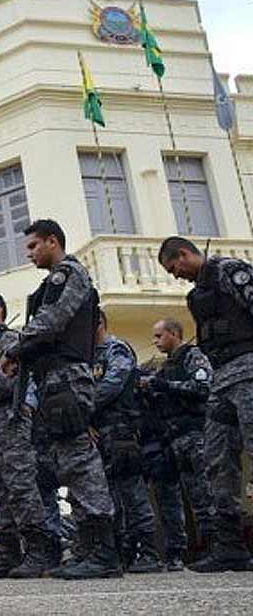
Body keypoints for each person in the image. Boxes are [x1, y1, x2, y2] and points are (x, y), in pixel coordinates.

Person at [2, 219, 119, 580]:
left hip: (67, 378)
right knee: (69, 464)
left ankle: (104, 552)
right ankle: (89, 549)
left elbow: (53, 321)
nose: (30, 254)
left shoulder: (69, 275)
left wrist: (16, 348)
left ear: (53, 241)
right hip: (54, 380)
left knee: (80, 463)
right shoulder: (54, 280)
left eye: (35, 246)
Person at [157, 236, 253, 572]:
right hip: (222, 382)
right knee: (216, 460)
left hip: (249, 372)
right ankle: (230, 547)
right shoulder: (196, 295)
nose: (175, 275)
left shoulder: (231, 271)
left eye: (174, 267)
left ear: (184, 254)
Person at [0, 293, 59, 578]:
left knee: (21, 485)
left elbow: (4, 378)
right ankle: (8, 553)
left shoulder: (9, 341)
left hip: (9, 419)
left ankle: (38, 551)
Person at [140, 317, 214, 565]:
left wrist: (164, 385)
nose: (155, 342)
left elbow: (203, 387)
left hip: (195, 434)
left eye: (159, 336)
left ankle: (215, 548)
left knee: (204, 493)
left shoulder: (193, 357)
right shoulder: (166, 366)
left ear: (174, 333)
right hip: (173, 440)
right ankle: (182, 552)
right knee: (186, 497)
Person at [91, 311, 160, 573]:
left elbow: (113, 384)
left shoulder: (116, 349)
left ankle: (149, 552)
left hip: (121, 431)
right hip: (97, 433)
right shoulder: (87, 357)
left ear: (97, 322)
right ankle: (122, 551)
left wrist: (85, 409)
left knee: (132, 491)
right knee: (107, 495)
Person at [137, 357, 188, 571]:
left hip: (159, 447)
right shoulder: (134, 392)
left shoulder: (160, 392)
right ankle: (150, 552)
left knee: (168, 501)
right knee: (142, 503)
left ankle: (175, 552)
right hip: (139, 448)